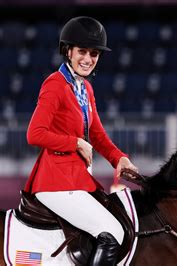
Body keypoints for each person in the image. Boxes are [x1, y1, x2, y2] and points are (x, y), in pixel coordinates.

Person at [25, 16, 139, 266]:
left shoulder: (85, 88)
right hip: (54, 181)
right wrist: (75, 143)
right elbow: (34, 133)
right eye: (82, 52)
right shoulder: (55, 84)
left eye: (94, 53)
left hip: (76, 178)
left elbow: (96, 134)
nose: (88, 59)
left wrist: (118, 157)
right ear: (68, 51)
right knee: (113, 232)